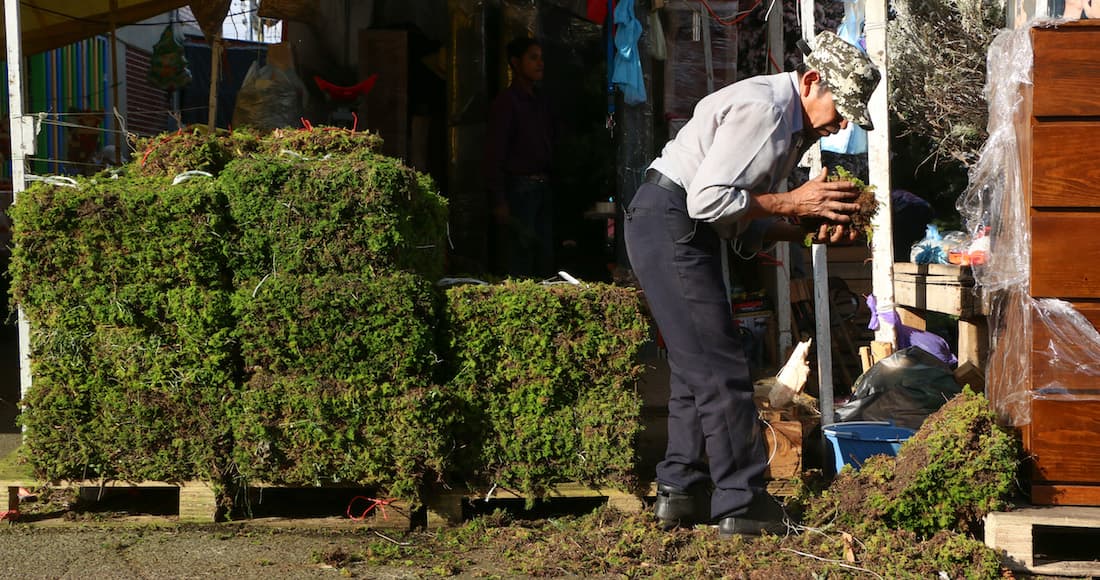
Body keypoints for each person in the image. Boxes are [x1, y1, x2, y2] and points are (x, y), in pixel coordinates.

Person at [624, 31, 880, 537]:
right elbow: (707, 200)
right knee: (721, 368)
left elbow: (740, 215)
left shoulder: (787, 122)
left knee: (696, 368)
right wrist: (795, 202)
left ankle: (681, 489)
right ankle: (742, 502)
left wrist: (802, 228)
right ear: (811, 81)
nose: (843, 124)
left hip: (672, 225)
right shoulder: (767, 110)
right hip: (672, 221)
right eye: (841, 109)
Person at [485, 37, 558, 279]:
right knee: (521, 258)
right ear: (516, 63)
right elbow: (494, 153)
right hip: (519, 190)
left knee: (544, 256)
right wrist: (499, 200)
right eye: (533, 58)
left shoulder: (540, 101)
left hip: (543, 187)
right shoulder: (506, 103)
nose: (540, 63)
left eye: (541, 58)